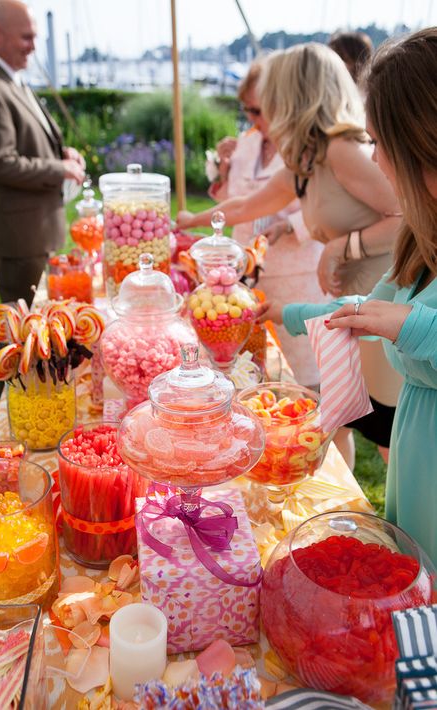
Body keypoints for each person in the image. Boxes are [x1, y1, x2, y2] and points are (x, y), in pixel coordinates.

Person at [177, 42, 402, 468]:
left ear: (294, 96)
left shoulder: (342, 148)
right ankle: (340, 517)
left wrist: (343, 246)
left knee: (394, 444)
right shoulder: (306, 158)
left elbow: (410, 214)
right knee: (340, 427)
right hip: (351, 315)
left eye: (273, 95)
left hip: (385, 309)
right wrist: (188, 221)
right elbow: (246, 205)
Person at [276, 28, 437, 565]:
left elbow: (399, 319)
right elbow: (366, 309)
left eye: (379, 142)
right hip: (417, 478)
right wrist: (287, 315)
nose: (378, 161)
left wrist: (406, 324)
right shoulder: (422, 236)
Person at [205, 57, 328, 387]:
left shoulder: (310, 145)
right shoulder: (247, 141)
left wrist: (291, 225)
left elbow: (327, 206)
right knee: (251, 374)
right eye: (247, 110)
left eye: (258, 110)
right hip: (244, 275)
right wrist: (224, 167)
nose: (252, 119)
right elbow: (232, 201)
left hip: (296, 279)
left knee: (303, 380)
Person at [0, 0, 85, 308]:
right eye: (26, 37)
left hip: (35, 231)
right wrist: (60, 168)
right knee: (22, 335)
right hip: (19, 238)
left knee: (39, 331)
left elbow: (26, 142)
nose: (33, 46)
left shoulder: (9, 78)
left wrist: (62, 153)